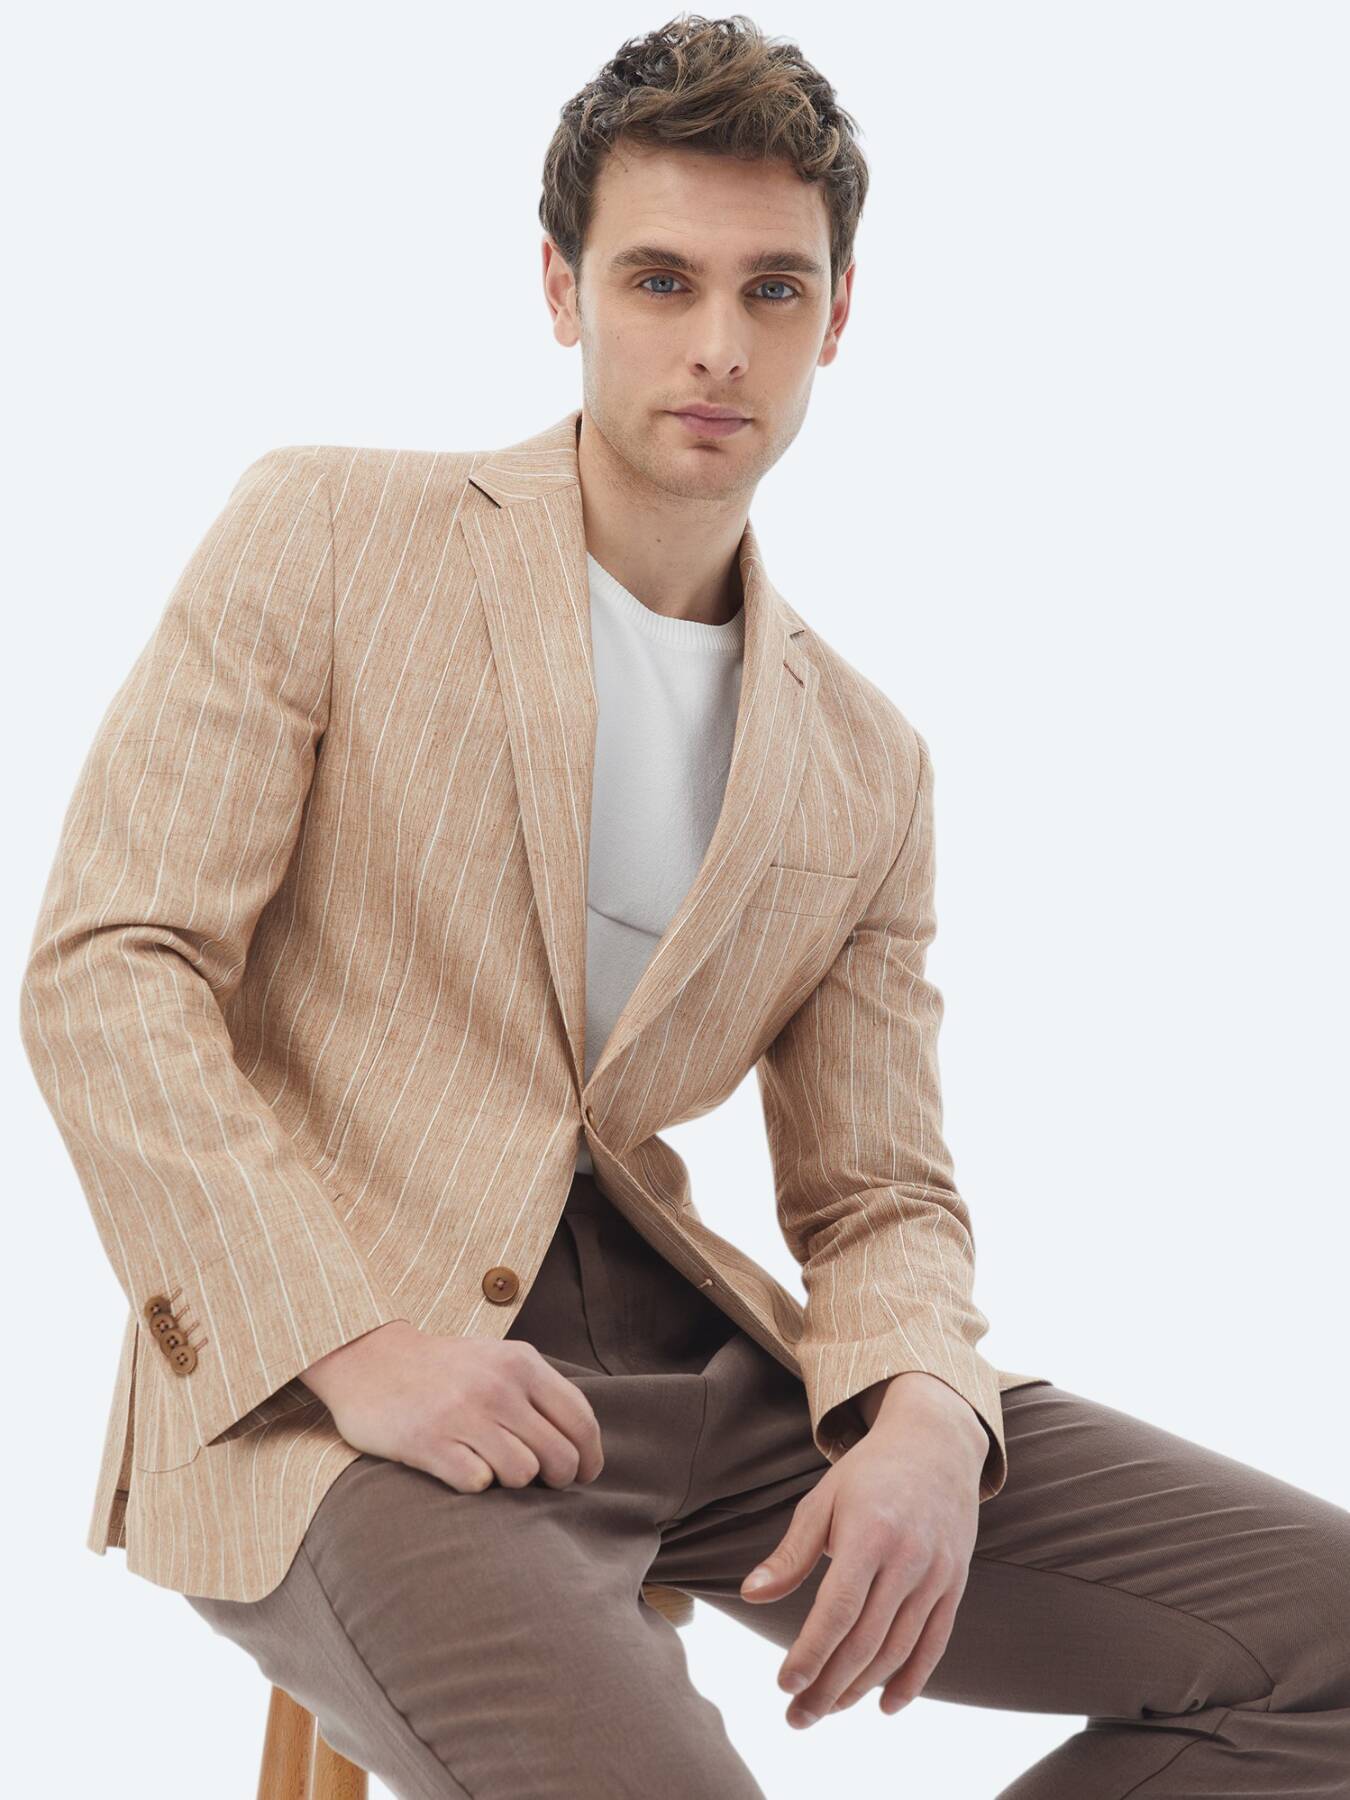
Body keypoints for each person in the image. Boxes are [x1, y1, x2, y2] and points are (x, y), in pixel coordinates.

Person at [19, 14, 1348, 1797]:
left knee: (1328, 1644)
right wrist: (348, 1343)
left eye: (771, 290)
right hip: (345, 1375)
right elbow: (113, 968)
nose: (719, 343)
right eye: (659, 280)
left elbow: (878, 1190)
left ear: (836, 317)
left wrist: (924, 1409)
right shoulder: (329, 533)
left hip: (704, 1373)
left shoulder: (863, 757)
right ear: (559, 290)